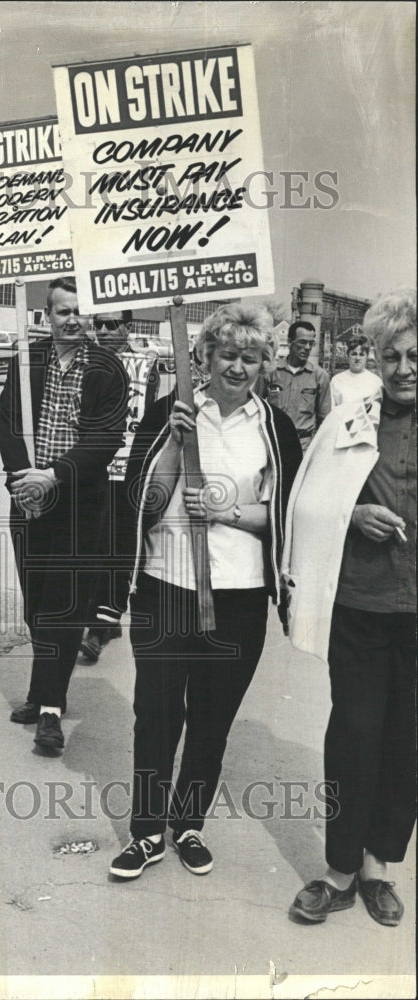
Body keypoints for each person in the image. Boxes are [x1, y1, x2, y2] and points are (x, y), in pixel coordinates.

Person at [109, 302, 301, 880]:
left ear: (265, 363)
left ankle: (187, 824)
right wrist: (173, 441)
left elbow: (289, 517)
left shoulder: (275, 427)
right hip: (167, 584)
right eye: (226, 355)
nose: (237, 367)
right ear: (205, 357)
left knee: (212, 717)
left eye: (249, 357)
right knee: (156, 712)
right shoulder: (172, 410)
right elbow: (138, 501)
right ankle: (146, 833)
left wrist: (229, 510)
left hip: (238, 595)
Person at [285, 288, 416, 927]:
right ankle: (339, 870)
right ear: (376, 359)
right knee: (355, 734)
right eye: (390, 356)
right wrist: (353, 513)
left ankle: (379, 868)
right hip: (361, 607)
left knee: (408, 740)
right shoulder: (350, 419)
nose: (403, 368)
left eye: (414, 355)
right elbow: (311, 500)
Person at [0, 277, 128, 752]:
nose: (72, 320)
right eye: (62, 312)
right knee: (36, 603)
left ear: (89, 316)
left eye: (79, 311)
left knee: (65, 608)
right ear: (45, 316)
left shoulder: (107, 368)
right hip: (29, 500)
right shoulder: (25, 362)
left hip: (78, 501)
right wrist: (22, 479)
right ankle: (40, 690)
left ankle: (51, 709)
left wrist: (53, 476)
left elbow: (105, 439)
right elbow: (9, 425)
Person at [80, 310, 161, 662]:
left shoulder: (145, 365)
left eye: (111, 325)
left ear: (128, 327)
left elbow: (151, 415)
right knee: (88, 545)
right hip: (88, 466)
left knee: (118, 545)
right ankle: (92, 616)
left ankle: (102, 623)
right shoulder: (83, 359)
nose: (102, 331)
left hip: (126, 466)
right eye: (97, 324)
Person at [264, 320, 331, 452]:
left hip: (304, 446)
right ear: (290, 342)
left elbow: (325, 419)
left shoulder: (320, 376)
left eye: (311, 343)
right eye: (302, 342)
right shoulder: (270, 372)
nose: (307, 347)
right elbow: (254, 407)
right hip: (274, 442)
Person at [329, 335, 382, 406]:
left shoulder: (376, 382)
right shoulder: (336, 380)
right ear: (348, 355)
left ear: (367, 356)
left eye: (361, 354)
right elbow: (332, 409)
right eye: (354, 354)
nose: (357, 358)